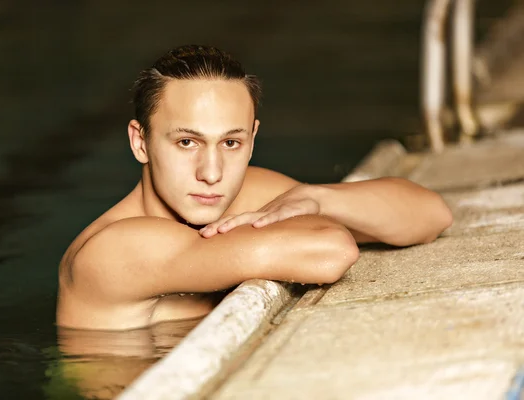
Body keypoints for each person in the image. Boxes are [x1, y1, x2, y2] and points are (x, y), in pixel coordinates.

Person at [56, 45, 453, 331]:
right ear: (140, 142)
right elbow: (331, 251)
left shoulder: (243, 193)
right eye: (186, 142)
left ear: (252, 138)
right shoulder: (113, 249)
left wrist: (318, 197)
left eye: (231, 143)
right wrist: (313, 210)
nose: (211, 173)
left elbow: (430, 214)